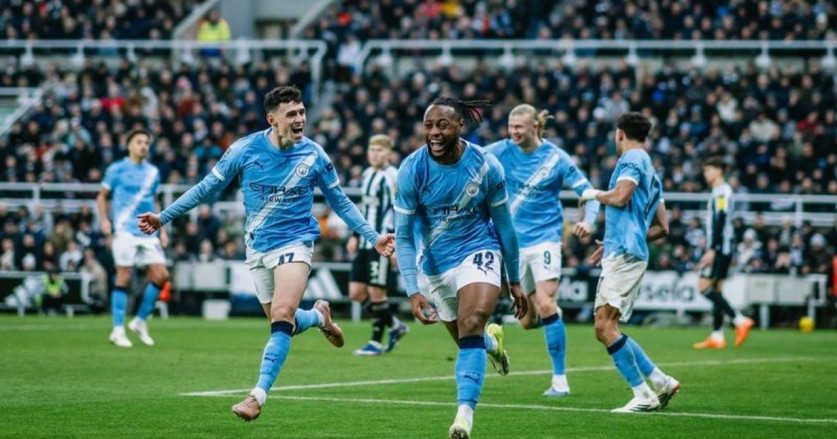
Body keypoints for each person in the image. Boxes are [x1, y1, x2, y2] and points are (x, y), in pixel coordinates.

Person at [137, 85, 394, 422]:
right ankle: (319, 318)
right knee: (281, 321)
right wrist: (163, 217)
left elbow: (340, 201)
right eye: (292, 114)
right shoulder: (244, 150)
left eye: (302, 112)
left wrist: (373, 237)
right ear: (272, 119)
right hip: (257, 247)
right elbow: (205, 188)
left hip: (296, 242)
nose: (300, 119)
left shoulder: (315, 155)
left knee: (283, 314)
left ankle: (256, 396)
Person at [393, 97, 528, 439]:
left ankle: (463, 418)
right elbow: (404, 238)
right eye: (429, 126)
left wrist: (514, 280)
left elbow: (505, 227)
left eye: (442, 125)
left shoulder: (486, 166)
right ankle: (491, 344)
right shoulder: (411, 169)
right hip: (435, 265)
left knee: (471, 322)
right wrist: (413, 291)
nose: (434, 133)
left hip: (478, 250)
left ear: (459, 127)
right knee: (470, 341)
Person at [485, 104, 600, 397]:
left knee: (547, 304)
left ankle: (560, 380)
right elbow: (468, 158)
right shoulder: (500, 150)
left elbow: (588, 193)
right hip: (512, 244)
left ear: (535, 127)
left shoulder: (556, 159)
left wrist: (588, 220)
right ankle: (548, 320)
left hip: (545, 240)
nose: (513, 132)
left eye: (518, 128)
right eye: (510, 127)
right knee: (527, 321)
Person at [581, 113, 680, 413]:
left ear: (619, 133)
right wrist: (617, 241)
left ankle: (644, 394)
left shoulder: (632, 159)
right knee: (610, 325)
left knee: (603, 326)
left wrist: (593, 194)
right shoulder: (651, 169)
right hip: (627, 249)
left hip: (624, 253)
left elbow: (622, 197)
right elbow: (663, 227)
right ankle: (661, 382)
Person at [96, 128, 170, 348]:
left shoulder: (153, 172)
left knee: (161, 275)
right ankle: (118, 329)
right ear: (129, 145)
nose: (144, 146)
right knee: (124, 276)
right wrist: (104, 221)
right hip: (125, 229)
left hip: (147, 230)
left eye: (147, 142)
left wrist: (162, 228)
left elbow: (155, 201)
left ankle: (139, 321)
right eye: (139, 142)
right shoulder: (116, 169)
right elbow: (102, 197)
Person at [346, 134, 408, 356]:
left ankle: (375, 342)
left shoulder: (392, 177)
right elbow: (363, 210)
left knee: (376, 292)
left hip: (382, 243)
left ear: (389, 154)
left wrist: (396, 245)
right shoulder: (367, 174)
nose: (375, 154)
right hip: (365, 241)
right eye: (372, 150)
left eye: (380, 150)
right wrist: (354, 235)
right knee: (355, 292)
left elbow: (399, 211)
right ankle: (394, 324)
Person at [694, 157, 754, 349]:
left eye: (708, 170)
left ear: (719, 171)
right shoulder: (720, 191)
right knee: (717, 290)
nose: (705, 174)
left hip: (720, 248)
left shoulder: (722, 191)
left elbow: (720, 219)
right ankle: (717, 335)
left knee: (704, 287)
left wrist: (712, 248)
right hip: (723, 247)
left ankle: (739, 320)